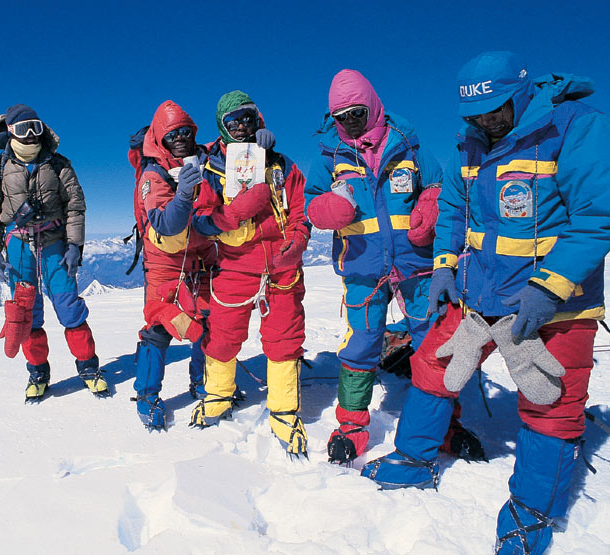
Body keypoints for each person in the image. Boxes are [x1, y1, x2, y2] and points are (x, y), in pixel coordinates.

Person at [361, 52, 610, 554]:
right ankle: (414, 458)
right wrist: (445, 265)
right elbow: (453, 208)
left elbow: (595, 217)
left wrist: (549, 287)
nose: (485, 121)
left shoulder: (574, 127)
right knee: (433, 367)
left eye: (494, 110)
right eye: (474, 114)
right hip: (479, 296)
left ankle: (530, 513)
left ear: (521, 93)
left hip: (555, 306)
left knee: (551, 402)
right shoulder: (470, 144)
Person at [306, 69, 482, 464]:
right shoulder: (330, 155)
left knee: (433, 341)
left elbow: (440, 186)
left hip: (417, 267)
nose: (350, 122)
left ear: (372, 106)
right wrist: (327, 209)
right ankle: (351, 425)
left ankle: (445, 425)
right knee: (361, 344)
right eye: (342, 116)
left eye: (357, 112)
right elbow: (310, 203)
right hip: (362, 268)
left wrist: (431, 202)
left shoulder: (408, 144)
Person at [189, 90, 310, 457]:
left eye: (247, 117)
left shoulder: (281, 165)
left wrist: (298, 242)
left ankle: (284, 411)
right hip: (234, 265)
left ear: (258, 119)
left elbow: (300, 211)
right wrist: (233, 214)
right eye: (233, 121)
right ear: (221, 126)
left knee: (284, 337)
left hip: (281, 265)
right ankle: (217, 396)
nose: (241, 126)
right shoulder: (210, 168)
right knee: (223, 335)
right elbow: (199, 220)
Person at [0, 103, 108, 401]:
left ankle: (88, 367)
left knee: (69, 308)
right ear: (11, 131)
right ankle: (38, 373)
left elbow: (75, 206)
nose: (31, 135)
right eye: (24, 129)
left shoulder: (59, 165)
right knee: (27, 314)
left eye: (36, 127)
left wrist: (74, 245)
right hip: (19, 245)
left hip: (54, 243)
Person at [131, 100, 214, 430]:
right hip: (164, 264)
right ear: (159, 138)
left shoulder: (205, 159)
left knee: (207, 321)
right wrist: (184, 195)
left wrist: (259, 139)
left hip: (203, 259)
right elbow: (166, 224)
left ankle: (203, 383)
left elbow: (233, 144)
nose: (180, 138)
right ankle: (147, 395)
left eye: (185, 132)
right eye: (171, 134)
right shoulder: (152, 175)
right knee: (160, 327)